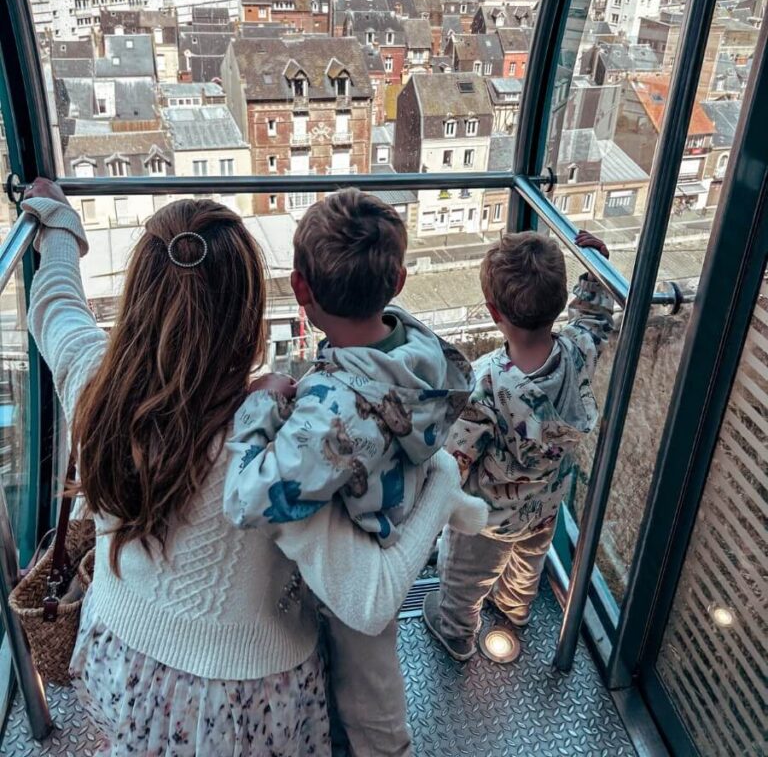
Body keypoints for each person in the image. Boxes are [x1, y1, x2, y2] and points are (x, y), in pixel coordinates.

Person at [23, 178, 485, 757]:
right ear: (250, 313)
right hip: (250, 695)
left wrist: (59, 229)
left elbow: (55, 307)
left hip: (126, 655)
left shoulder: (94, 383)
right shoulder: (283, 454)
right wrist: (443, 480)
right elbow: (371, 599)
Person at [224, 189, 482, 756]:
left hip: (365, 551)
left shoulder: (332, 415)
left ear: (300, 288)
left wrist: (260, 405)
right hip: (397, 497)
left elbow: (247, 499)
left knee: (370, 700)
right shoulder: (419, 349)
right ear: (398, 282)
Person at [423, 230, 614, 660]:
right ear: (560, 301)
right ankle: (514, 609)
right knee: (527, 565)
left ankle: (455, 630)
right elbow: (595, 318)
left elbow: (456, 461)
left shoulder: (486, 382)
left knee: (464, 577)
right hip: (545, 506)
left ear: (494, 312)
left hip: (487, 520)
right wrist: (597, 272)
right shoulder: (579, 351)